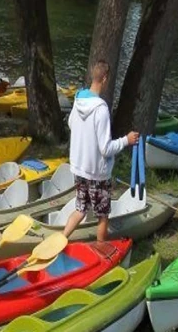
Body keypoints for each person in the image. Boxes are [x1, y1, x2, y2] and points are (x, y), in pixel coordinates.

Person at [62, 60, 139, 242]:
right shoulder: (101, 109)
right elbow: (106, 148)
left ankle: (60, 240)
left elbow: (71, 123)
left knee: (80, 209)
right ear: (104, 78)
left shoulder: (78, 99)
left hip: (79, 169)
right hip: (97, 173)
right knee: (102, 215)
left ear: (92, 75)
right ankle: (101, 253)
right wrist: (126, 140)